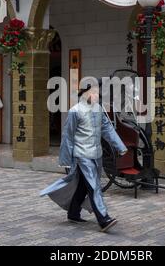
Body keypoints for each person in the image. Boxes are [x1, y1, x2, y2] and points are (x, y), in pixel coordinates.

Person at [40, 81, 128, 232]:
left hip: (97, 154)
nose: (96, 95)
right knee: (94, 186)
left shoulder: (99, 109)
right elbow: (67, 136)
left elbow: (107, 128)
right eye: (92, 92)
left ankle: (73, 213)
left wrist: (120, 146)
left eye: (97, 93)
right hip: (82, 155)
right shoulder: (75, 111)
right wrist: (66, 159)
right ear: (84, 93)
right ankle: (103, 219)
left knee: (83, 186)